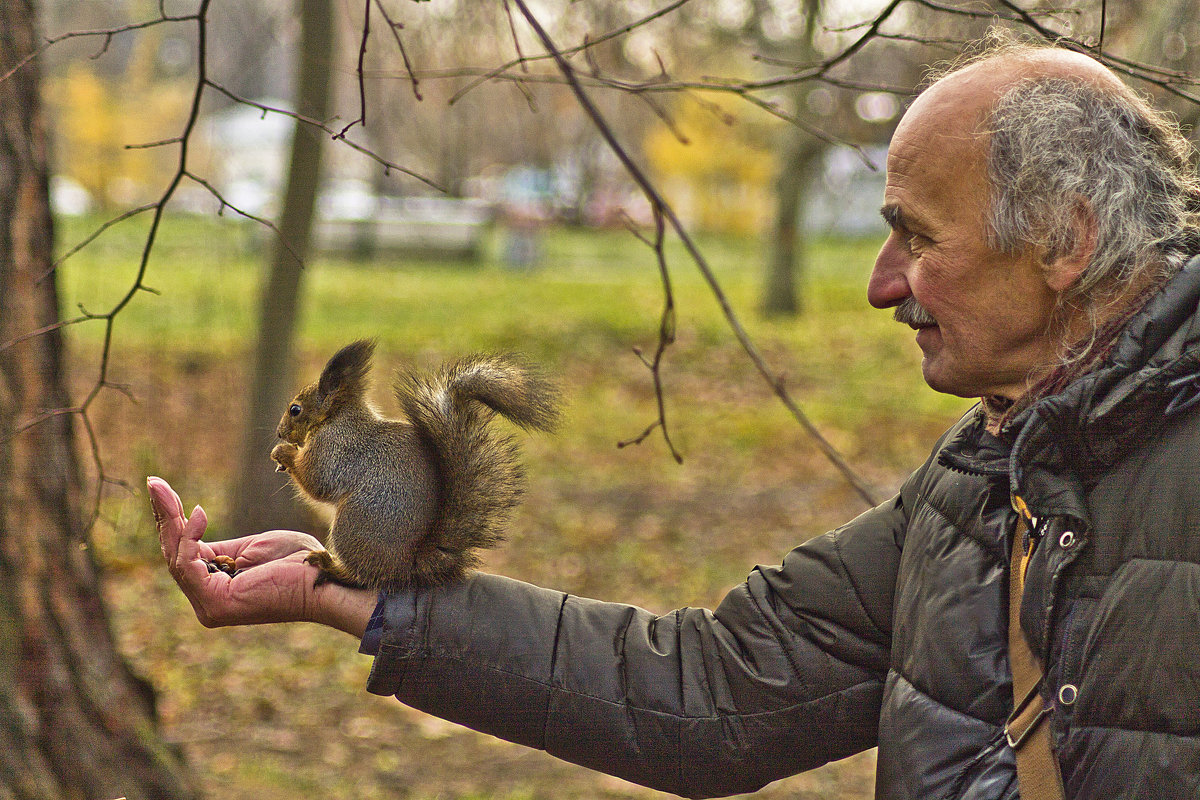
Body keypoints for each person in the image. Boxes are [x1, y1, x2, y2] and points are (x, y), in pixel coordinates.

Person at [153, 34, 1200, 800]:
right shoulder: (981, 480)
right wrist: (371, 605)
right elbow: (712, 689)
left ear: (1065, 239)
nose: (884, 286)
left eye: (917, 238)